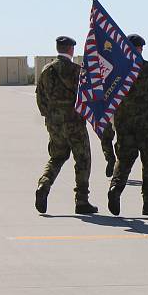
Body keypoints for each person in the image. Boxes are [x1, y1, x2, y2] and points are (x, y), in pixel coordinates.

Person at [35, 36, 98, 214]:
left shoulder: (46, 70)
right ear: (71, 50)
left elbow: (40, 97)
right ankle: (81, 200)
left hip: (54, 123)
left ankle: (44, 184)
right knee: (83, 159)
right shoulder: (77, 71)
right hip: (74, 123)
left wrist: (50, 115)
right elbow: (87, 96)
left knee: (57, 156)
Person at [107, 34, 148, 216]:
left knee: (124, 160)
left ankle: (115, 189)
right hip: (147, 124)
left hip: (124, 123)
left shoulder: (117, 69)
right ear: (140, 48)